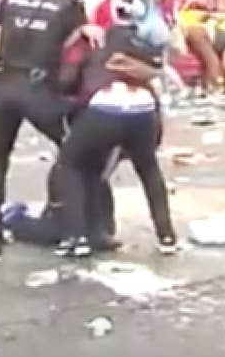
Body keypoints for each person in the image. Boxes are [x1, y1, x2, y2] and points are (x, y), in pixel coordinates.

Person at [0, 0, 88, 257]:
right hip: (40, 89)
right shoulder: (70, 5)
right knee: (73, 151)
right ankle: (72, 225)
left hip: (4, 84)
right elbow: (74, 53)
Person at [55, 27, 177, 257]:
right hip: (143, 110)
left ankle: (76, 237)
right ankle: (166, 235)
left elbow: (66, 83)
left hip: (104, 110)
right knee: (149, 170)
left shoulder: (95, 54)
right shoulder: (140, 62)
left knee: (70, 164)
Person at [182, 22, 225, 93]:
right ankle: (212, 89)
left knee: (208, 64)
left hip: (194, 32)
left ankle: (204, 87)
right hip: (199, 34)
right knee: (213, 64)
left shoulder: (222, 42)